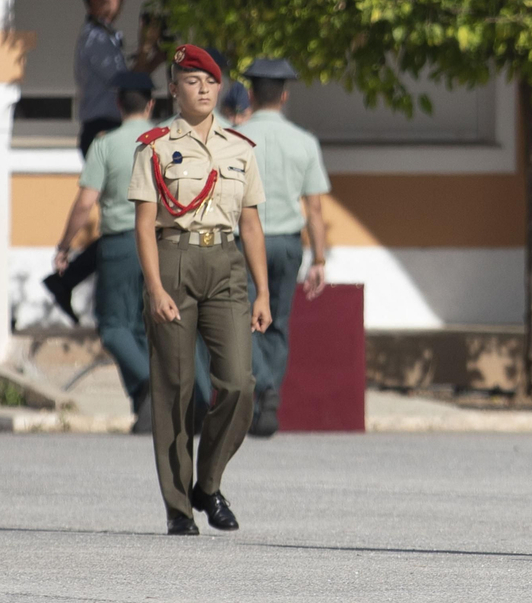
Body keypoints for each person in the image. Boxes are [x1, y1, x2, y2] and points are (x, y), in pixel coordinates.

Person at [130, 45, 272, 535]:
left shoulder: (240, 148)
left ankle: (207, 485)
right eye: (192, 81)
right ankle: (178, 507)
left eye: (211, 82)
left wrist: (263, 292)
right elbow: (145, 224)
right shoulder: (153, 146)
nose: (204, 89)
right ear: (174, 89)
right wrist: (154, 286)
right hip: (173, 260)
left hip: (226, 263)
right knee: (175, 388)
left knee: (238, 383)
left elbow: (251, 225)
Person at [52, 71, 161, 433]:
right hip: (159, 242)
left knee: (114, 328)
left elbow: (85, 203)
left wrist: (65, 245)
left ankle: (154, 388)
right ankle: (146, 408)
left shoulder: (106, 144)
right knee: (143, 328)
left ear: (118, 104)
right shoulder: (166, 141)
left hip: (119, 243)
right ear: (150, 104)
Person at [237, 58, 331, 437]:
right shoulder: (304, 141)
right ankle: (271, 389)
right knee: (278, 320)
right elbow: (315, 207)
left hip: (246, 240)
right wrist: (320, 258)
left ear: (249, 94)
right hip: (289, 243)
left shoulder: (234, 138)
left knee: (242, 319)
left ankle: (263, 384)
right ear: (285, 96)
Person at [43, 0, 127, 324]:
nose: (118, 2)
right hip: (101, 130)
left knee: (122, 216)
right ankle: (69, 276)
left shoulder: (106, 36)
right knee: (121, 218)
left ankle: (69, 278)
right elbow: (123, 80)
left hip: (109, 128)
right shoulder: (95, 39)